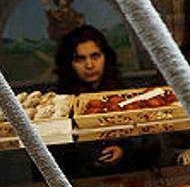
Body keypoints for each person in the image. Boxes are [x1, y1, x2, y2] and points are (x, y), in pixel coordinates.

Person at [53, 25, 158, 177]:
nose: (89, 65)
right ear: (69, 63)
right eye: (80, 59)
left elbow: (149, 143)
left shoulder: (123, 94)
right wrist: (89, 157)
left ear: (105, 57)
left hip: (128, 178)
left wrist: (123, 151)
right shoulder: (59, 103)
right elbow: (55, 155)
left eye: (95, 56)